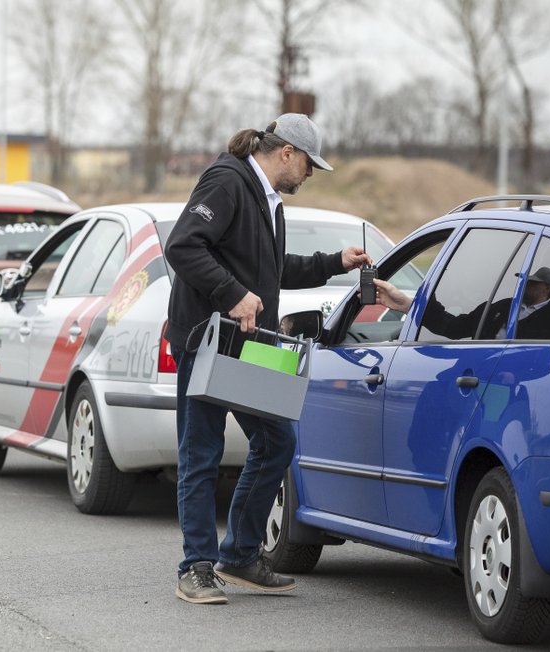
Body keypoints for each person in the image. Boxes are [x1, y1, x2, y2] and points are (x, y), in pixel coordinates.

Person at [163, 113, 371, 605]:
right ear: (286, 153)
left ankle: (239, 555)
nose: (310, 175)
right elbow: (183, 246)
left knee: (278, 439)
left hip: (251, 346)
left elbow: (274, 270)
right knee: (202, 454)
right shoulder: (227, 181)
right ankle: (195, 568)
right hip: (207, 341)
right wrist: (232, 293)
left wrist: (333, 264)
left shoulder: (269, 203)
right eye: (309, 165)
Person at [373, 266, 550, 340]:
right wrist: (410, 305)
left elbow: (543, 361)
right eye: (524, 281)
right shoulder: (503, 306)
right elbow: (455, 328)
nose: (524, 286)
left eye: (531, 283)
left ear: (547, 288)